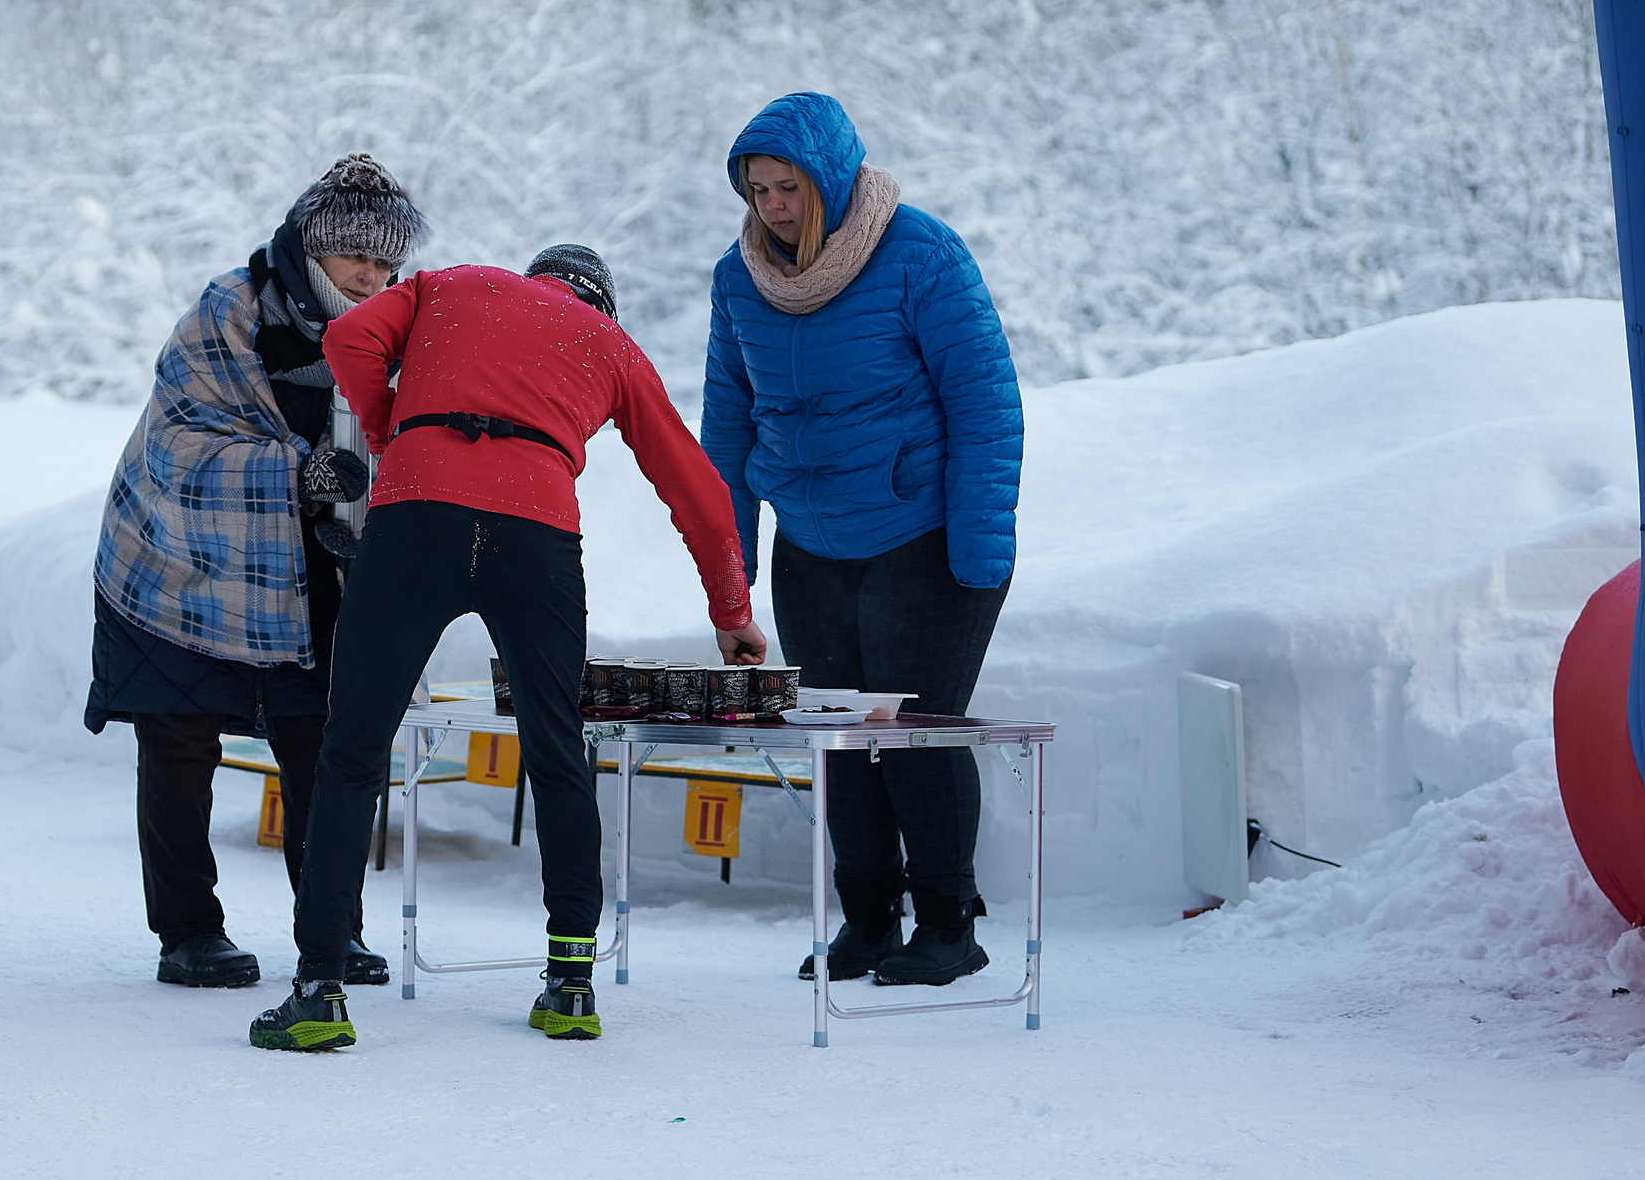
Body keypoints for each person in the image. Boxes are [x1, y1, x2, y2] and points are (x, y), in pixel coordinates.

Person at [248, 246, 770, 1051]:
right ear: (604, 303)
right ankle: (570, 984)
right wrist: (730, 609)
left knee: (352, 749)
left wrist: (389, 424)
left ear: (536, 278)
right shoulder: (611, 345)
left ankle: (319, 989)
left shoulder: (449, 285)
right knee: (558, 751)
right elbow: (695, 484)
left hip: (416, 512)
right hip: (538, 530)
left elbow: (349, 336)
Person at [701, 92, 1022, 988]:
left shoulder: (919, 251)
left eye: (788, 188)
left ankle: (950, 925)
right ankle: (871, 920)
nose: (772, 206)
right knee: (836, 737)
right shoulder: (740, 279)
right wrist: (732, 568)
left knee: (915, 733)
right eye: (757, 190)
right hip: (812, 544)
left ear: (830, 181)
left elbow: (986, 406)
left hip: (921, 537)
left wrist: (979, 547)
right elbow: (725, 429)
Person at [87, 155, 428, 990]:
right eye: (358, 257)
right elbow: (179, 444)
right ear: (314, 246)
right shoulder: (227, 311)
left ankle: (331, 931)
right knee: (178, 742)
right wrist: (297, 473)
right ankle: (188, 933)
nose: (372, 275)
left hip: (312, 570)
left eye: (387, 263)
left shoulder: (395, 331)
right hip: (177, 561)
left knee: (324, 743)